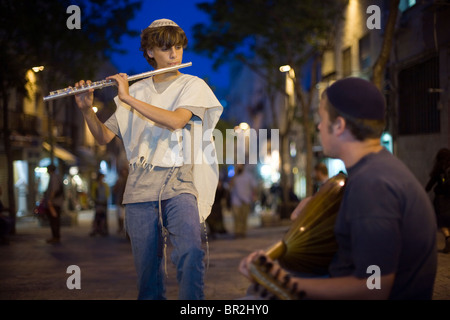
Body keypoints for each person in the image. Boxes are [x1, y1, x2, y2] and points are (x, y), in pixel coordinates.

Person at [239, 77, 437, 300]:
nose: (318, 126)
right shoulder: (376, 170)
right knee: (256, 292)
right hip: (338, 274)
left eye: (322, 119)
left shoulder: (372, 185)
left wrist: (283, 281)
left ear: (340, 125)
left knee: (254, 299)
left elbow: (374, 286)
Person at [74, 18, 222, 300]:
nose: (174, 54)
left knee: (191, 251)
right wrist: (85, 110)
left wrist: (127, 99)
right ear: (150, 52)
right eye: (166, 48)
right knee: (148, 273)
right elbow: (104, 136)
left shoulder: (193, 84)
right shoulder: (136, 89)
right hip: (140, 184)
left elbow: (177, 121)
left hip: (179, 180)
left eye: (178, 47)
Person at [426, 148, 450, 253]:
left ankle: (448, 237)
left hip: (441, 199)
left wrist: (424, 191)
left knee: (442, 221)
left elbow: (430, 184)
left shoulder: (439, 169)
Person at [230, 164, 257, 238]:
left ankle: (243, 232)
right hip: (235, 201)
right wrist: (234, 175)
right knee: (236, 218)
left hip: (246, 200)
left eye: (240, 165)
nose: (239, 167)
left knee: (244, 218)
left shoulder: (248, 176)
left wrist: (254, 196)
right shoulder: (235, 177)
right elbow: (230, 186)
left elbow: (254, 187)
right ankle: (237, 233)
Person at [45, 164, 64, 244]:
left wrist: (50, 200)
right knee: (55, 220)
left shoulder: (54, 177)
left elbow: (54, 190)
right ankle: (55, 236)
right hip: (57, 202)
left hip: (55, 202)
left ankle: (55, 236)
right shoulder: (57, 176)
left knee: (54, 220)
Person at [90, 172, 110, 237]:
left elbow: (107, 193)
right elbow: (93, 193)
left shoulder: (105, 185)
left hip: (104, 202)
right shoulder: (95, 184)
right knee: (97, 216)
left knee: (103, 217)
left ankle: (103, 229)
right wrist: (95, 200)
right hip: (98, 202)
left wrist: (105, 199)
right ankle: (96, 229)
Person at [113, 167, 128, 234]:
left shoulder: (128, 180)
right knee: (120, 216)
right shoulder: (119, 181)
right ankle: (121, 228)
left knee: (126, 217)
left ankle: (125, 229)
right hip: (120, 201)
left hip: (127, 202)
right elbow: (115, 190)